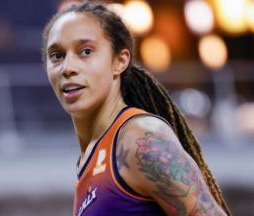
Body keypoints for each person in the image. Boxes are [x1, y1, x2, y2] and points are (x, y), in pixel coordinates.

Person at [42, 1, 231, 215]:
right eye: (57, 56)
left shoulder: (139, 139)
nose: (68, 68)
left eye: (85, 51)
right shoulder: (90, 157)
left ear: (119, 61)